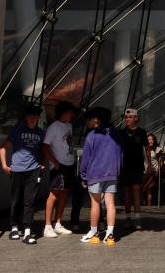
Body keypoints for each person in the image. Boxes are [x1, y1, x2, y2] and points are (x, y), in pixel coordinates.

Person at [0, 105, 45, 245]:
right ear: (26, 118)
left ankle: (27, 232)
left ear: (38, 118)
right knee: (16, 199)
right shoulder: (16, 131)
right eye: (30, 116)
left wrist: (42, 163)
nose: (32, 119)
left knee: (29, 201)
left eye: (35, 117)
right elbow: (2, 147)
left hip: (34, 170)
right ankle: (14, 227)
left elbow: (43, 149)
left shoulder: (41, 133)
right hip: (17, 170)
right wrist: (4, 165)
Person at [79, 107, 122, 247]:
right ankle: (110, 235)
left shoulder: (92, 136)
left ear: (96, 120)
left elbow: (85, 158)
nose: (87, 122)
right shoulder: (116, 134)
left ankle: (94, 233)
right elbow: (120, 154)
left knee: (95, 203)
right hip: (112, 173)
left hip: (95, 173)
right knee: (110, 204)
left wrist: (83, 175)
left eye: (89, 120)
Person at [42, 101, 77, 239]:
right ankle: (47, 226)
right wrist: (55, 163)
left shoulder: (69, 125)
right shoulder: (54, 127)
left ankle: (58, 223)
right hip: (59, 165)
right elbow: (45, 146)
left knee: (64, 194)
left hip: (69, 164)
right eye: (70, 112)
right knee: (54, 194)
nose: (72, 115)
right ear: (63, 112)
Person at [120, 108, 149, 230]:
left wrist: (149, 165)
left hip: (137, 166)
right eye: (126, 117)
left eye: (130, 117)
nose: (128, 119)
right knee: (126, 192)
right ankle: (128, 217)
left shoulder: (141, 132)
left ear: (136, 118)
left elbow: (147, 148)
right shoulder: (121, 133)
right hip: (125, 166)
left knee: (136, 191)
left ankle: (137, 217)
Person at [142, 133, 164, 206]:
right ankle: (144, 204)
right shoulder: (144, 149)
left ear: (154, 140)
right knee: (145, 188)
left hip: (154, 172)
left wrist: (159, 168)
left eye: (152, 139)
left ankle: (149, 205)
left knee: (149, 189)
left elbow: (160, 160)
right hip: (145, 171)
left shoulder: (157, 149)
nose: (150, 141)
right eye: (149, 139)